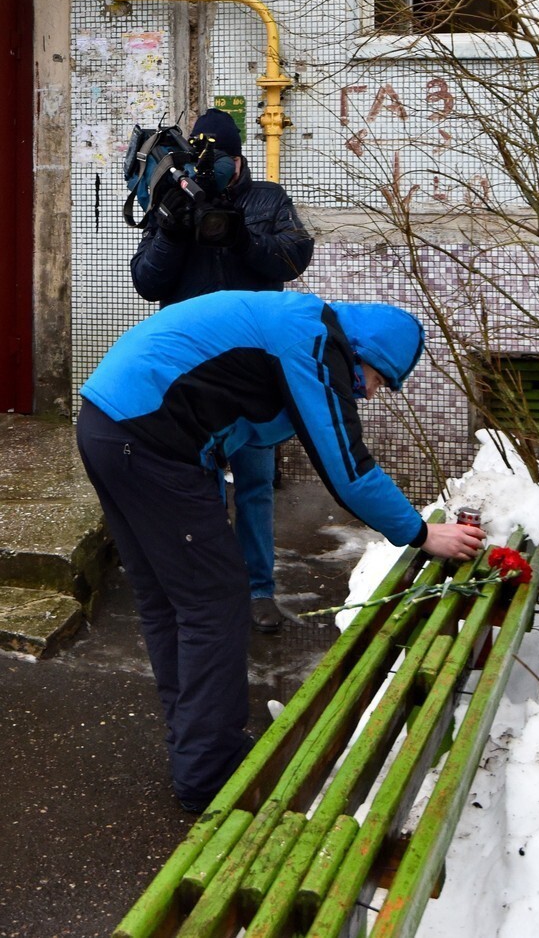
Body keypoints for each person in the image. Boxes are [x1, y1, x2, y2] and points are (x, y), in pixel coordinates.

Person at [76, 290, 486, 813]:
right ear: (362, 352)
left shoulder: (301, 325)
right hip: (149, 439)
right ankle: (211, 773)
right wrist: (421, 533)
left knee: (171, 600)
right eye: (380, 379)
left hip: (114, 426)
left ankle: (195, 749)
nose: (374, 392)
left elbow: (244, 415)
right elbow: (345, 464)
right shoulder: (313, 341)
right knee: (214, 602)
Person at [130, 107, 314, 634]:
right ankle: (209, 591)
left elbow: (293, 260)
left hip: (253, 371)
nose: (210, 169)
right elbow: (147, 282)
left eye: (220, 158)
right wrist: (172, 228)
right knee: (199, 484)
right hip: (190, 374)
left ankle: (259, 589)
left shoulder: (268, 200)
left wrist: (240, 240)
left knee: (255, 484)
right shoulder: (174, 197)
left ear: (238, 158)